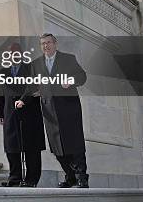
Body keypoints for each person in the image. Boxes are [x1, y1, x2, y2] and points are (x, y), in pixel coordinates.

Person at [15, 33, 88, 188]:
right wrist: (23, 99)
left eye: (48, 42)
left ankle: (82, 177)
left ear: (55, 44)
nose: (45, 46)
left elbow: (82, 76)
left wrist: (71, 80)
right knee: (57, 147)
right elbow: (32, 86)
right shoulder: (36, 64)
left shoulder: (68, 59)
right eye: (42, 43)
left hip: (69, 108)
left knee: (74, 143)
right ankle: (70, 176)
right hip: (49, 111)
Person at [0, 42, 45, 187]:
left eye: (16, 52)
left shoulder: (31, 68)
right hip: (10, 113)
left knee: (31, 148)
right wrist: (0, 113)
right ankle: (15, 178)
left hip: (29, 112)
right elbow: (1, 93)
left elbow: (34, 86)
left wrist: (23, 100)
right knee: (12, 147)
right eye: (10, 53)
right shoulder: (3, 71)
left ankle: (31, 180)